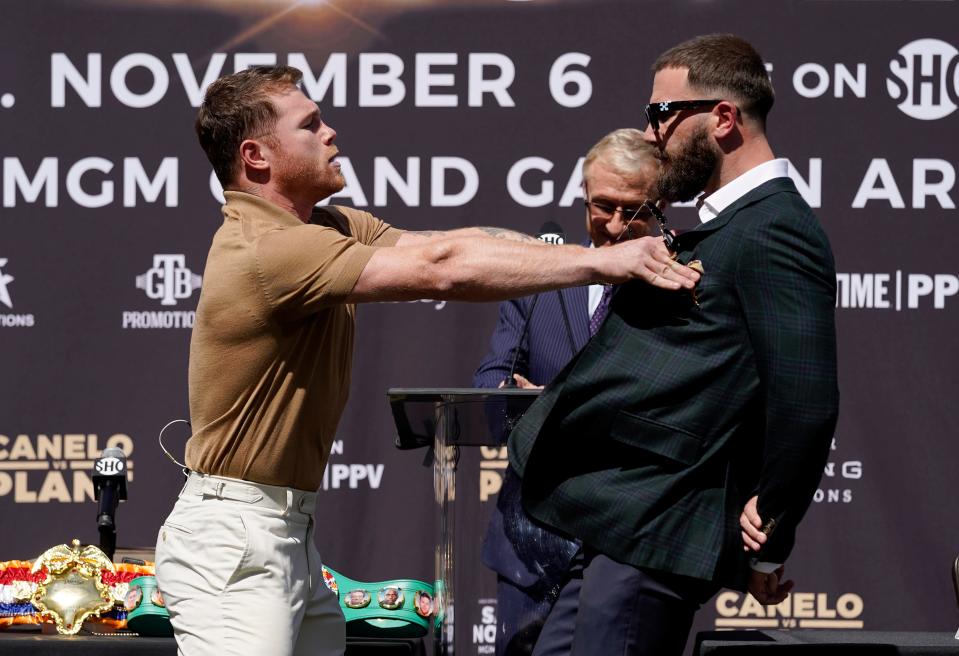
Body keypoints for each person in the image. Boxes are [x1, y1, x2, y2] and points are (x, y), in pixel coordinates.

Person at [152, 65, 700, 656]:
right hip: (236, 537)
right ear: (257, 157)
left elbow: (448, 241)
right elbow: (441, 266)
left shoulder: (328, 225)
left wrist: (589, 252)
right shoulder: (270, 250)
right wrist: (603, 262)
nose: (331, 131)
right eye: (310, 125)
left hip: (285, 534)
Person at [508, 34, 839, 656]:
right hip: (617, 524)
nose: (650, 130)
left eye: (663, 112)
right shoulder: (727, 226)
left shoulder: (777, 230)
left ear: (722, 118)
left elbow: (803, 401)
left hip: (658, 531)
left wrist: (771, 523)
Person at [473, 129, 661, 655]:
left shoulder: (678, 290)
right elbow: (488, 387)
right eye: (603, 206)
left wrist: (558, 398)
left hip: (624, 544)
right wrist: (510, 393)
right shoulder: (541, 280)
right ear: (583, 198)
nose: (618, 226)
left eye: (635, 210)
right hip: (529, 546)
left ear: (662, 206)